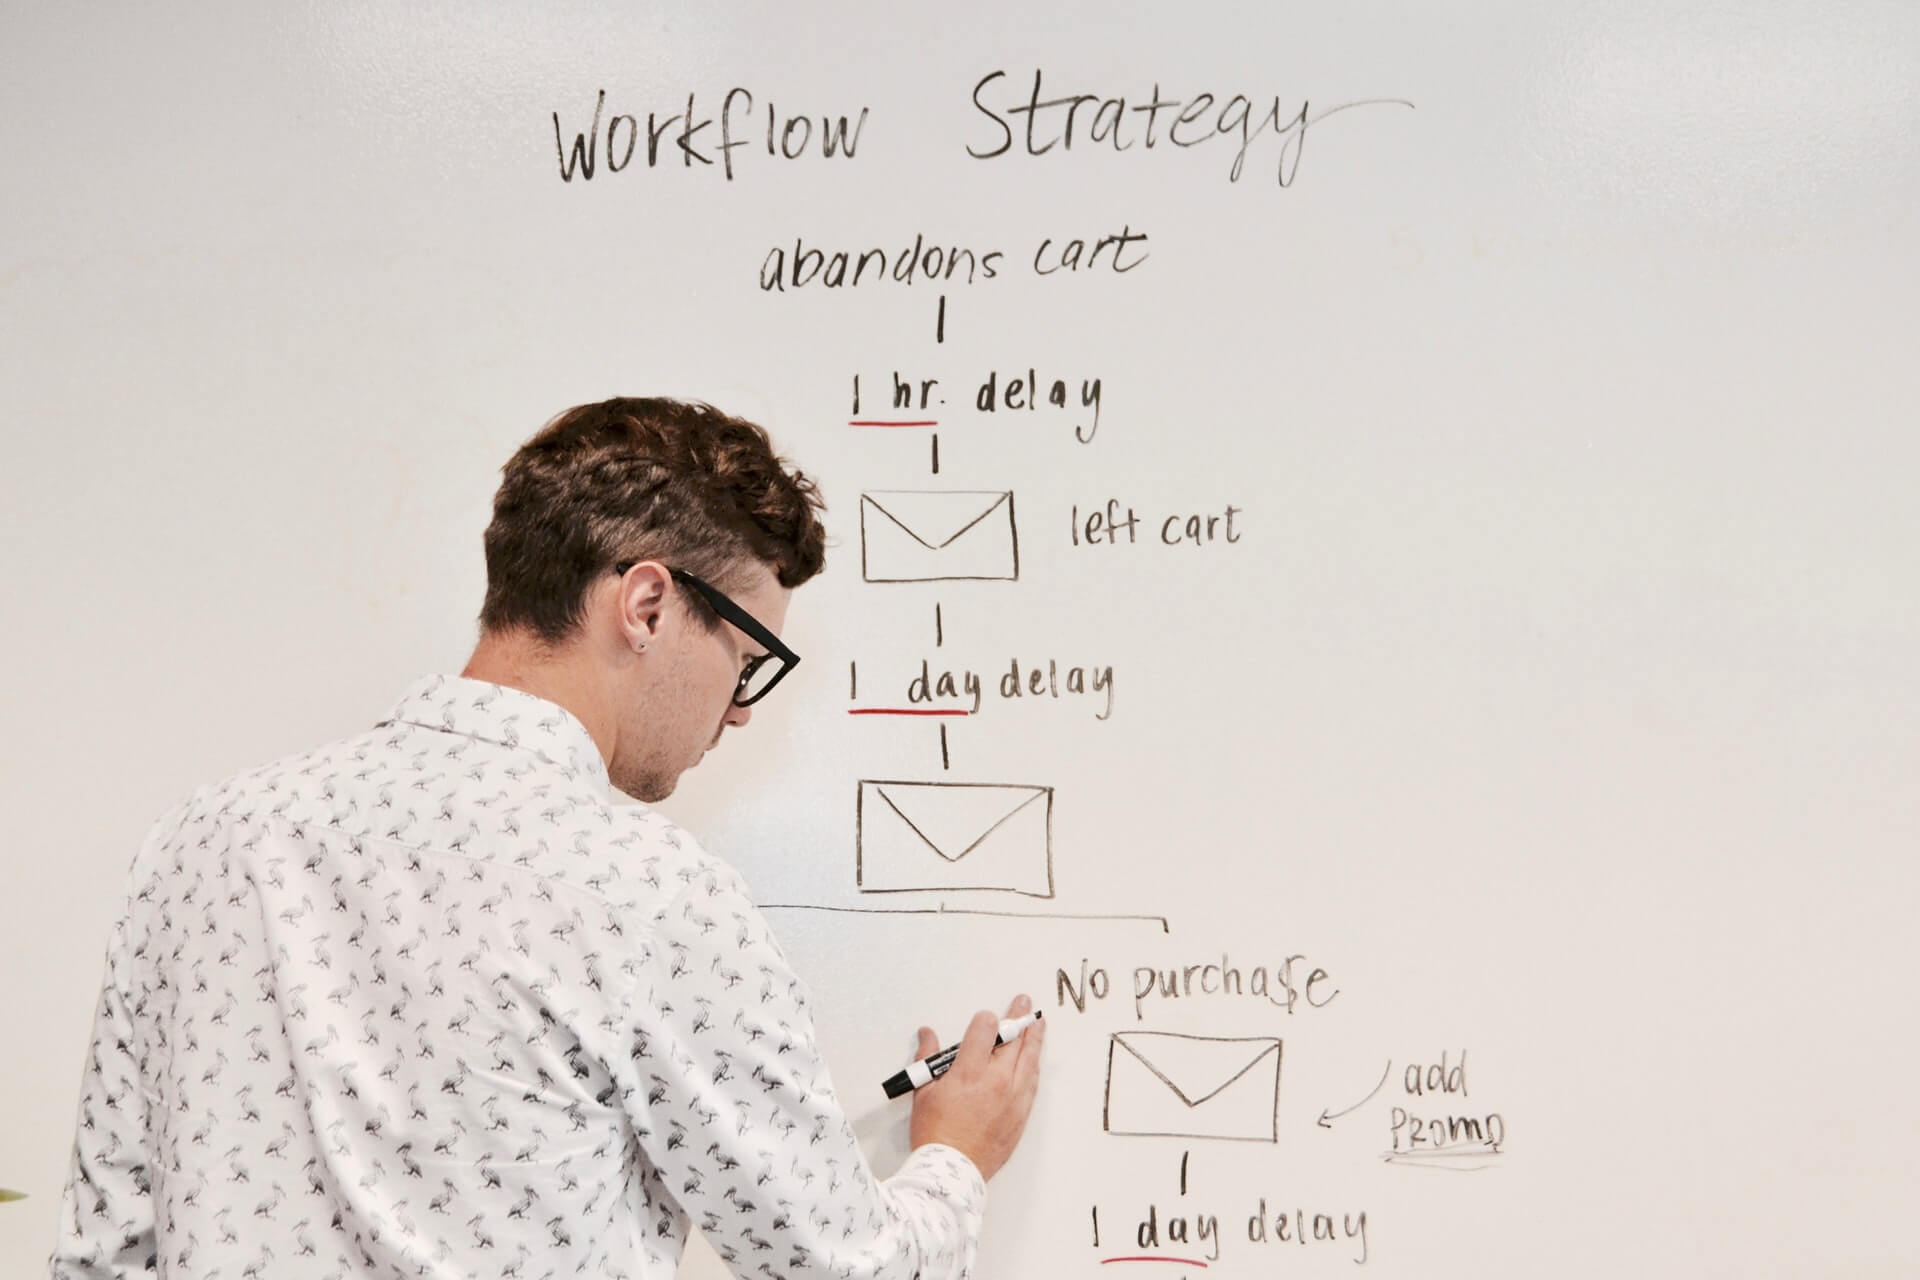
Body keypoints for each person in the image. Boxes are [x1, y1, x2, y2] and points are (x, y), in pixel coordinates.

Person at [51, 397, 1045, 1279]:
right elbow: (839, 1267)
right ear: (648, 603)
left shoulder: (204, 842)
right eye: (745, 660)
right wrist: (956, 1154)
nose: (739, 711)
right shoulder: (652, 892)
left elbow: (100, 1254)